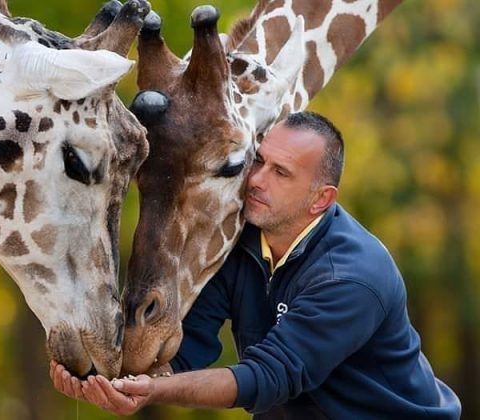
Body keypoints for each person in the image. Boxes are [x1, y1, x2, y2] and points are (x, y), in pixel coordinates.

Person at [50, 112, 461, 418]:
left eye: (281, 173)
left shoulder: (353, 278)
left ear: (321, 200)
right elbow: (190, 344)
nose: (257, 179)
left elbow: (266, 378)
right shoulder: (241, 239)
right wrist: (109, 381)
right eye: (260, 161)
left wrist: (154, 392)